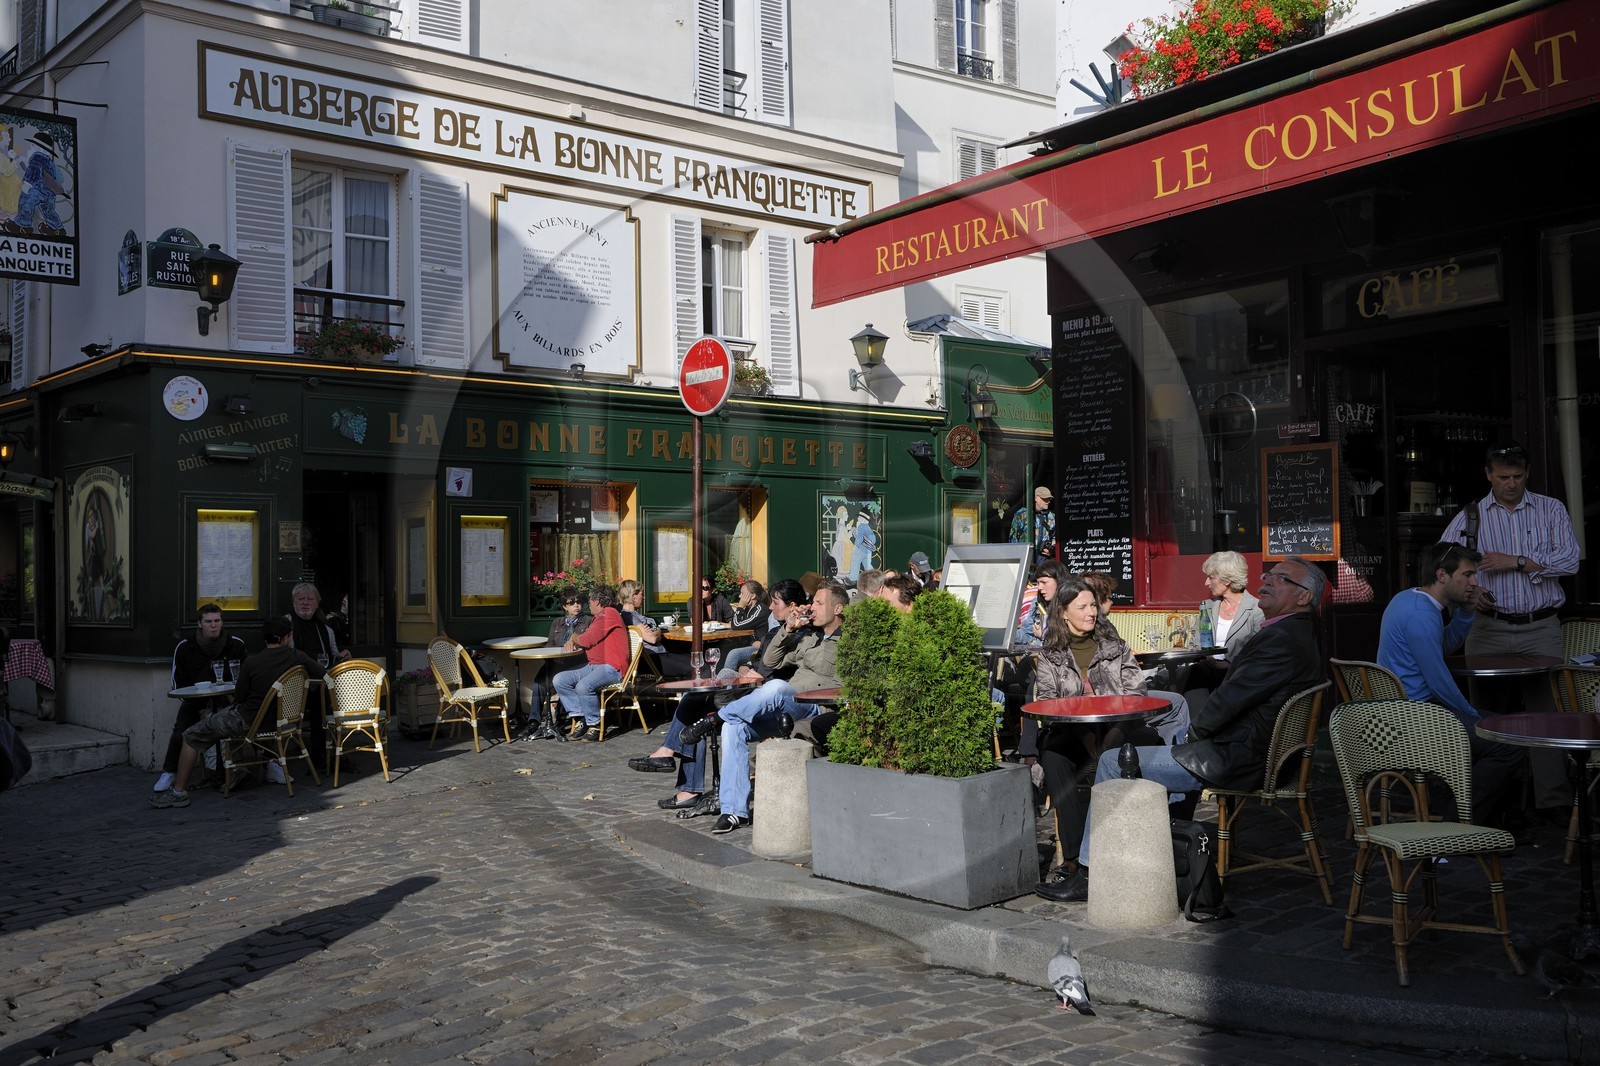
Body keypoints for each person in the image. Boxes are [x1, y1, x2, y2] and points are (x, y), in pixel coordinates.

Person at [1038, 557, 1328, 903]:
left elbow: (1228, 700)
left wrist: (1194, 736)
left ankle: (1088, 872)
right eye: (1269, 574)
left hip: (1238, 756)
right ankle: (1170, 851)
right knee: (1153, 741)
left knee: (1113, 761)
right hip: (1252, 751)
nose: (1266, 580)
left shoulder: (1281, 638)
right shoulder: (1293, 633)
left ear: (1303, 597)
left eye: (1281, 579)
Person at [1442, 441, 1581, 817]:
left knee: (1546, 715)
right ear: (1488, 475)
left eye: (1518, 476)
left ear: (1528, 473)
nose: (1511, 484)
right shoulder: (1471, 517)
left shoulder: (1550, 509)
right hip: (1489, 627)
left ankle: (1553, 803)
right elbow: (1444, 564)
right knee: (1486, 717)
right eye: (1503, 477)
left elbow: (1570, 561)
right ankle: (1490, 803)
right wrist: (1473, 589)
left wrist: (1517, 561)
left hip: (1541, 626)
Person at [679, 579, 849, 834]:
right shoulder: (809, 636)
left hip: (814, 705)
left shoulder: (849, 641)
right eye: (812, 601)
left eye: (818, 602)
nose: (811, 607)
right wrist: (788, 630)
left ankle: (717, 718)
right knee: (734, 729)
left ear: (837, 609)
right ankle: (734, 812)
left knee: (777, 687)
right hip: (789, 704)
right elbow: (769, 661)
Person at [1023, 577, 1158, 894]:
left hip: (1118, 729)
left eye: (1093, 605)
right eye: (1082, 606)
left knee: (1148, 745)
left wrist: (1113, 733)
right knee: (1054, 756)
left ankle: (1143, 848)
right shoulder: (1050, 655)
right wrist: (1084, 734)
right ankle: (1073, 860)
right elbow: (1047, 703)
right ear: (1064, 613)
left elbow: (1137, 694)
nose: (1091, 611)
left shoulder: (1116, 648)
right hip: (1072, 732)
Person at [1376, 542, 1523, 824]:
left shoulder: (1408, 599)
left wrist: (1466, 612)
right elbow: (1438, 681)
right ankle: (1460, 826)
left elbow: (1440, 646)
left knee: (1500, 731)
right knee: (1508, 742)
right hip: (1415, 718)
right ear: (1442, 575)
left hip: (1400, 711)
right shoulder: (1421, 615)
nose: (1474, 583)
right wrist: (1474, 717)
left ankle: (1490, 818)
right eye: (1467, 575)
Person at [631, 580, 807, 811]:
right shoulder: (777, 629)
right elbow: (757, 661)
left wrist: (756, 672)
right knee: (695, 700)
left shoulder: (799, 634)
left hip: (764, 695)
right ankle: (683, 780)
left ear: (792, 605)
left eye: (775, 603)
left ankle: (680, 774)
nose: (771, 608)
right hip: (750, 683)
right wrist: (745, 669)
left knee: (695, 701)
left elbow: (775, 667)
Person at [151, 617, 326, 808]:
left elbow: (240, 697)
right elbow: (323, 674)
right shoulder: (298, 657)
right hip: (283, 722)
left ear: (265, 639)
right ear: (287, 637)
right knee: (227, 721)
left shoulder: (252, 662)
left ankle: (178, 791)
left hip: (250, 721)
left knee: (191, 734)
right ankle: (234, 770)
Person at [1082, 572, 1190, 746]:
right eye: (1109, 597)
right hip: (1114, 703)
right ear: (1100, 600)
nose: (1112, 602)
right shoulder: (1103, 628)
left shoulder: (1077, 626)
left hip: (1105, 700)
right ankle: (1171, 759)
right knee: (1176, 703)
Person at [155, 604, 248, 793]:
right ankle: (170, 771)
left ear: (222, 622)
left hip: (228, 700)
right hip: (196, 701)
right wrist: (198, 700)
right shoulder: (185, 647)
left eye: (217, 621)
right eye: (208, 622)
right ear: (200, 624)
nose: (213, 625)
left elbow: (246, 679)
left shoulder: (236, 644)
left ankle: (269, 764)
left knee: (251, 717)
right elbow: (178, 685)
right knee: (181, 727)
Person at [554, 585, 630, 742]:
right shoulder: (599, 617)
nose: (588, 603)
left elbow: (587, 639)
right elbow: (585, 638)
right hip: (594, 665)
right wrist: (575, 638)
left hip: (612, 667)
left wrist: (574, 637)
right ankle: (582, 717)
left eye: (589, 600)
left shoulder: (609, 613)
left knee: (583, 686)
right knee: (560, 680)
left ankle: (594, 724)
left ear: (598, 601)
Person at [1186, 551, 1265, 694]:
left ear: (1226, 580)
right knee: (1192, 673)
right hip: (1206, 670)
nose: (1206, 583)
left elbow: (1258, 652)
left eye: (1211, 578)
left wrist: (1227, 665)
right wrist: (1208, 660)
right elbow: (1196, 645)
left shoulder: (1256, 609)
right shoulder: (1208, 606)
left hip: (1237, 675)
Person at [520, 591, 589, 740]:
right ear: (565, 606)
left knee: (563, 681)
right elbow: (550, 644)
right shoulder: (557, 623)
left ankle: (560, 722)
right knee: (539, 681)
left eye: (578, 602)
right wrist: (551, 656)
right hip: (556, 662)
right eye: (571, 603)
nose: (576, 606)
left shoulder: (587, 621)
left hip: (575, 664)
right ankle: (533, 722)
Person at [617, 579, 691, 678]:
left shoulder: (633, 615)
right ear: (633, 596)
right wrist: (658, 630)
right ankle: (690, 693)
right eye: (641, 594)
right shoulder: (629, 617)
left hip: (656, 655)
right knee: (695, 667)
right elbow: (652, 638)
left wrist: (654, 631)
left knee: (693, 659)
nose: (644, 597)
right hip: (650, 659)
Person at [1016, 560, 1069, 649]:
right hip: (1037, 656)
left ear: (1059, 581)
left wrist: (1043, 634)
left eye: (1044, 582)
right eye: (1038, 583)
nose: (1039, 587)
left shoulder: (1071, 604)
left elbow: (1068, 641)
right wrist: (1006, 635)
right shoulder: (1037, 602)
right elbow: (1026, 634)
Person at [723, 579, 770, 674]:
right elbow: (738, 625)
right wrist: (752, 641)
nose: (740, 596)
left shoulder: (760, 610)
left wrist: (740, 607)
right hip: (750, 643)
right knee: (723, 647)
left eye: (742, 593)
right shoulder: (748, 609)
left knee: (734, 654)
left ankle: (727, 684)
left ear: (752, 595)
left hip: (761, 647)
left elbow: (736, 625)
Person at [1010, 485, 1057, 564]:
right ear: (1036, 498)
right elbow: (1013, 537)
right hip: (1025, 555)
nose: (1048, 501)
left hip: (1044, 558)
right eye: (1044, 499)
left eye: (1049, 499)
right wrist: (1016, 555)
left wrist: (1051, 549)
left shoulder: (1052, 516)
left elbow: (1055, 536)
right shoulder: (1022, 514)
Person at [849, 507, 879, 582]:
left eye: (859, 517)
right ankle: (874, 579)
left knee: (854, 562)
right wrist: (854, 531)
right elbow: (873, 539)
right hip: (868, 551)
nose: (858, 518)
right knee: (868, 566)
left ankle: (853, 578)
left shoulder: (861, 525)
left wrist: (856, 546)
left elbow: (859, 538)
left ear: (863, 518)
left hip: (860, 550)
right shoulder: (868, 528)